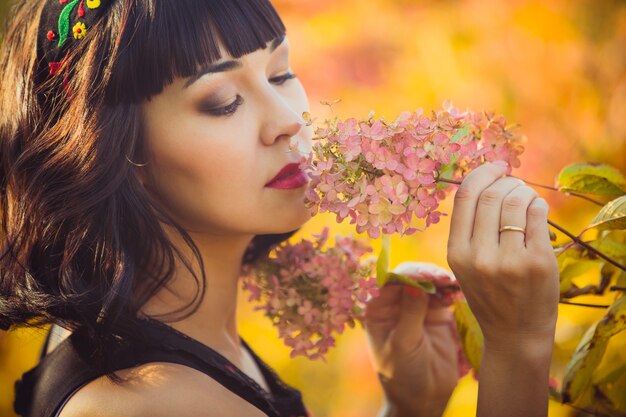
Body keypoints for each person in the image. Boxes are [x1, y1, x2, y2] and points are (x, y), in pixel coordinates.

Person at [0, 0, 559, 416]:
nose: (289, 119)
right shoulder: (150, 402)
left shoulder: (141, 336)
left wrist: (408, 407)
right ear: (111, 154)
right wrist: (518, 348)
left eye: (280, 73)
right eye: (222, 102)